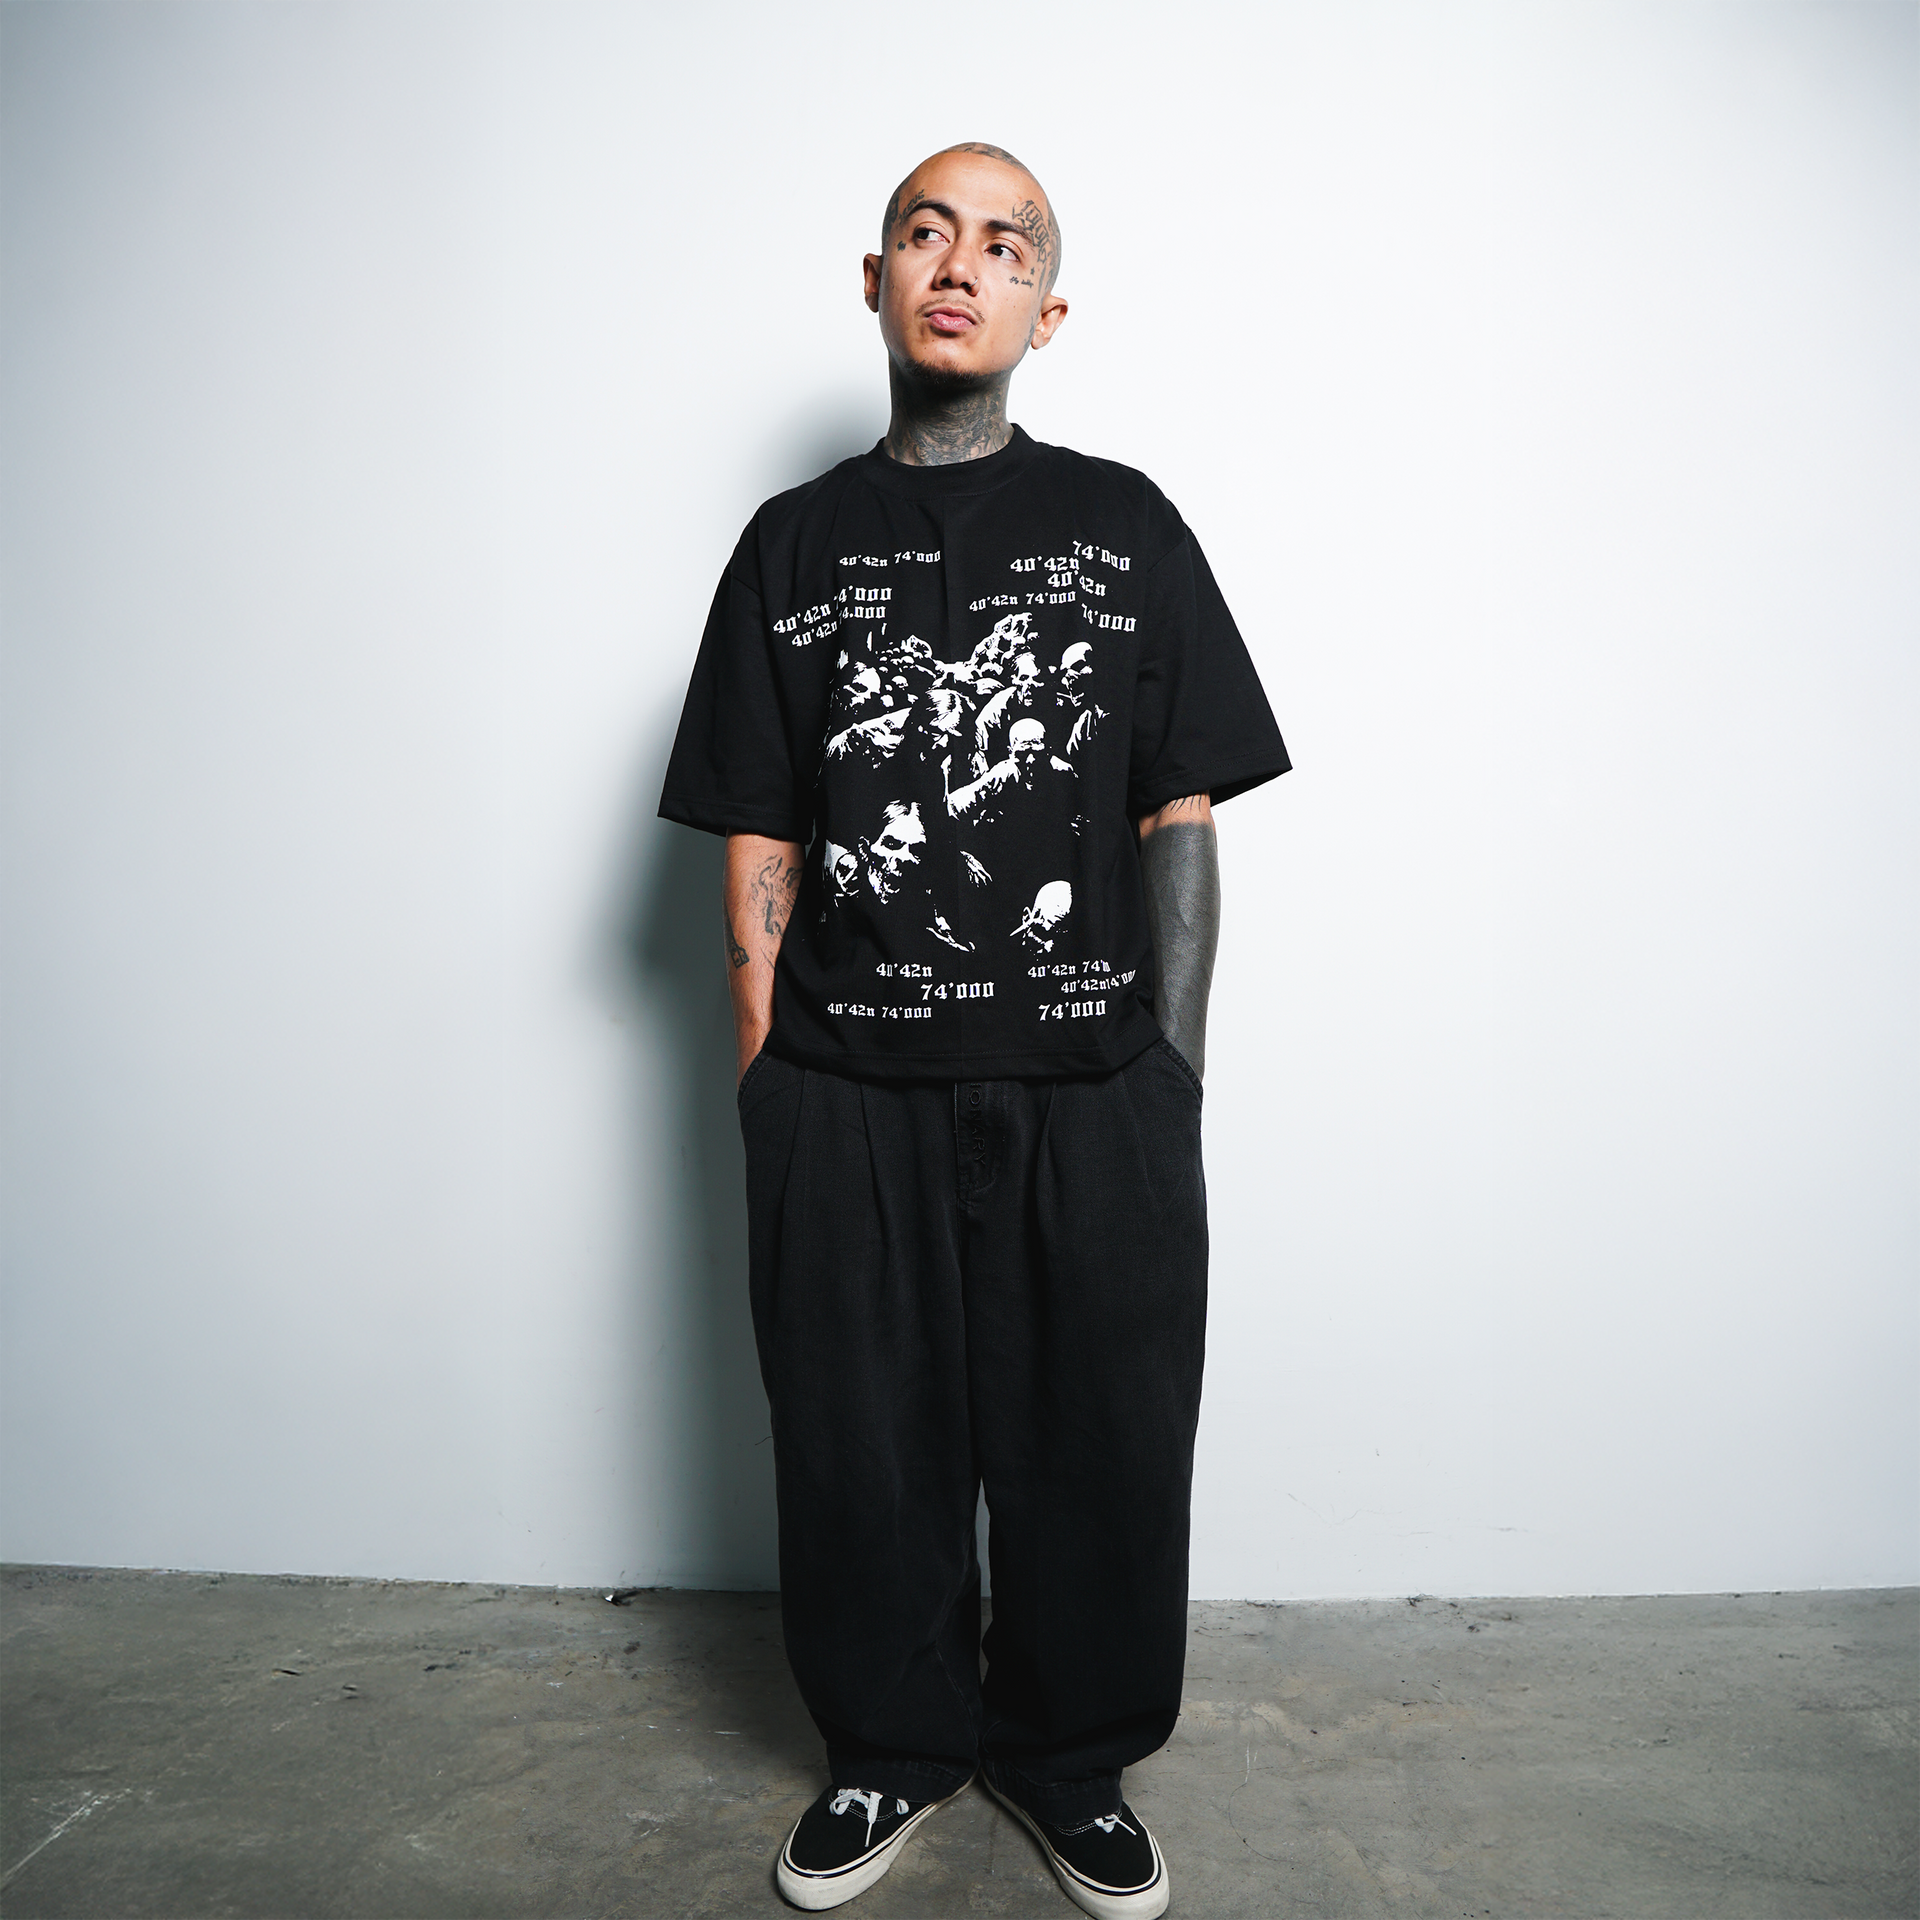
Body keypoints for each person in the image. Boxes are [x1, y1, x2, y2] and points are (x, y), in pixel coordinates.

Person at [660, 141, 1288, 1918]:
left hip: (1093, 1086)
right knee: (859, 1444)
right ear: (875, 282)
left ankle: (1070, 1763)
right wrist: (771, 1083)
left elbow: (1179, 812)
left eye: (1004, 244)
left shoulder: (1126, 525)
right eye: (925, 234)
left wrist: (1168, 1075)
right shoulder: (790, 545)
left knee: (1105, 1441)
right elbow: (757, 830)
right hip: (845, 1086)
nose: (960, 265)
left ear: (1047, 310)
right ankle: (889, 1748)